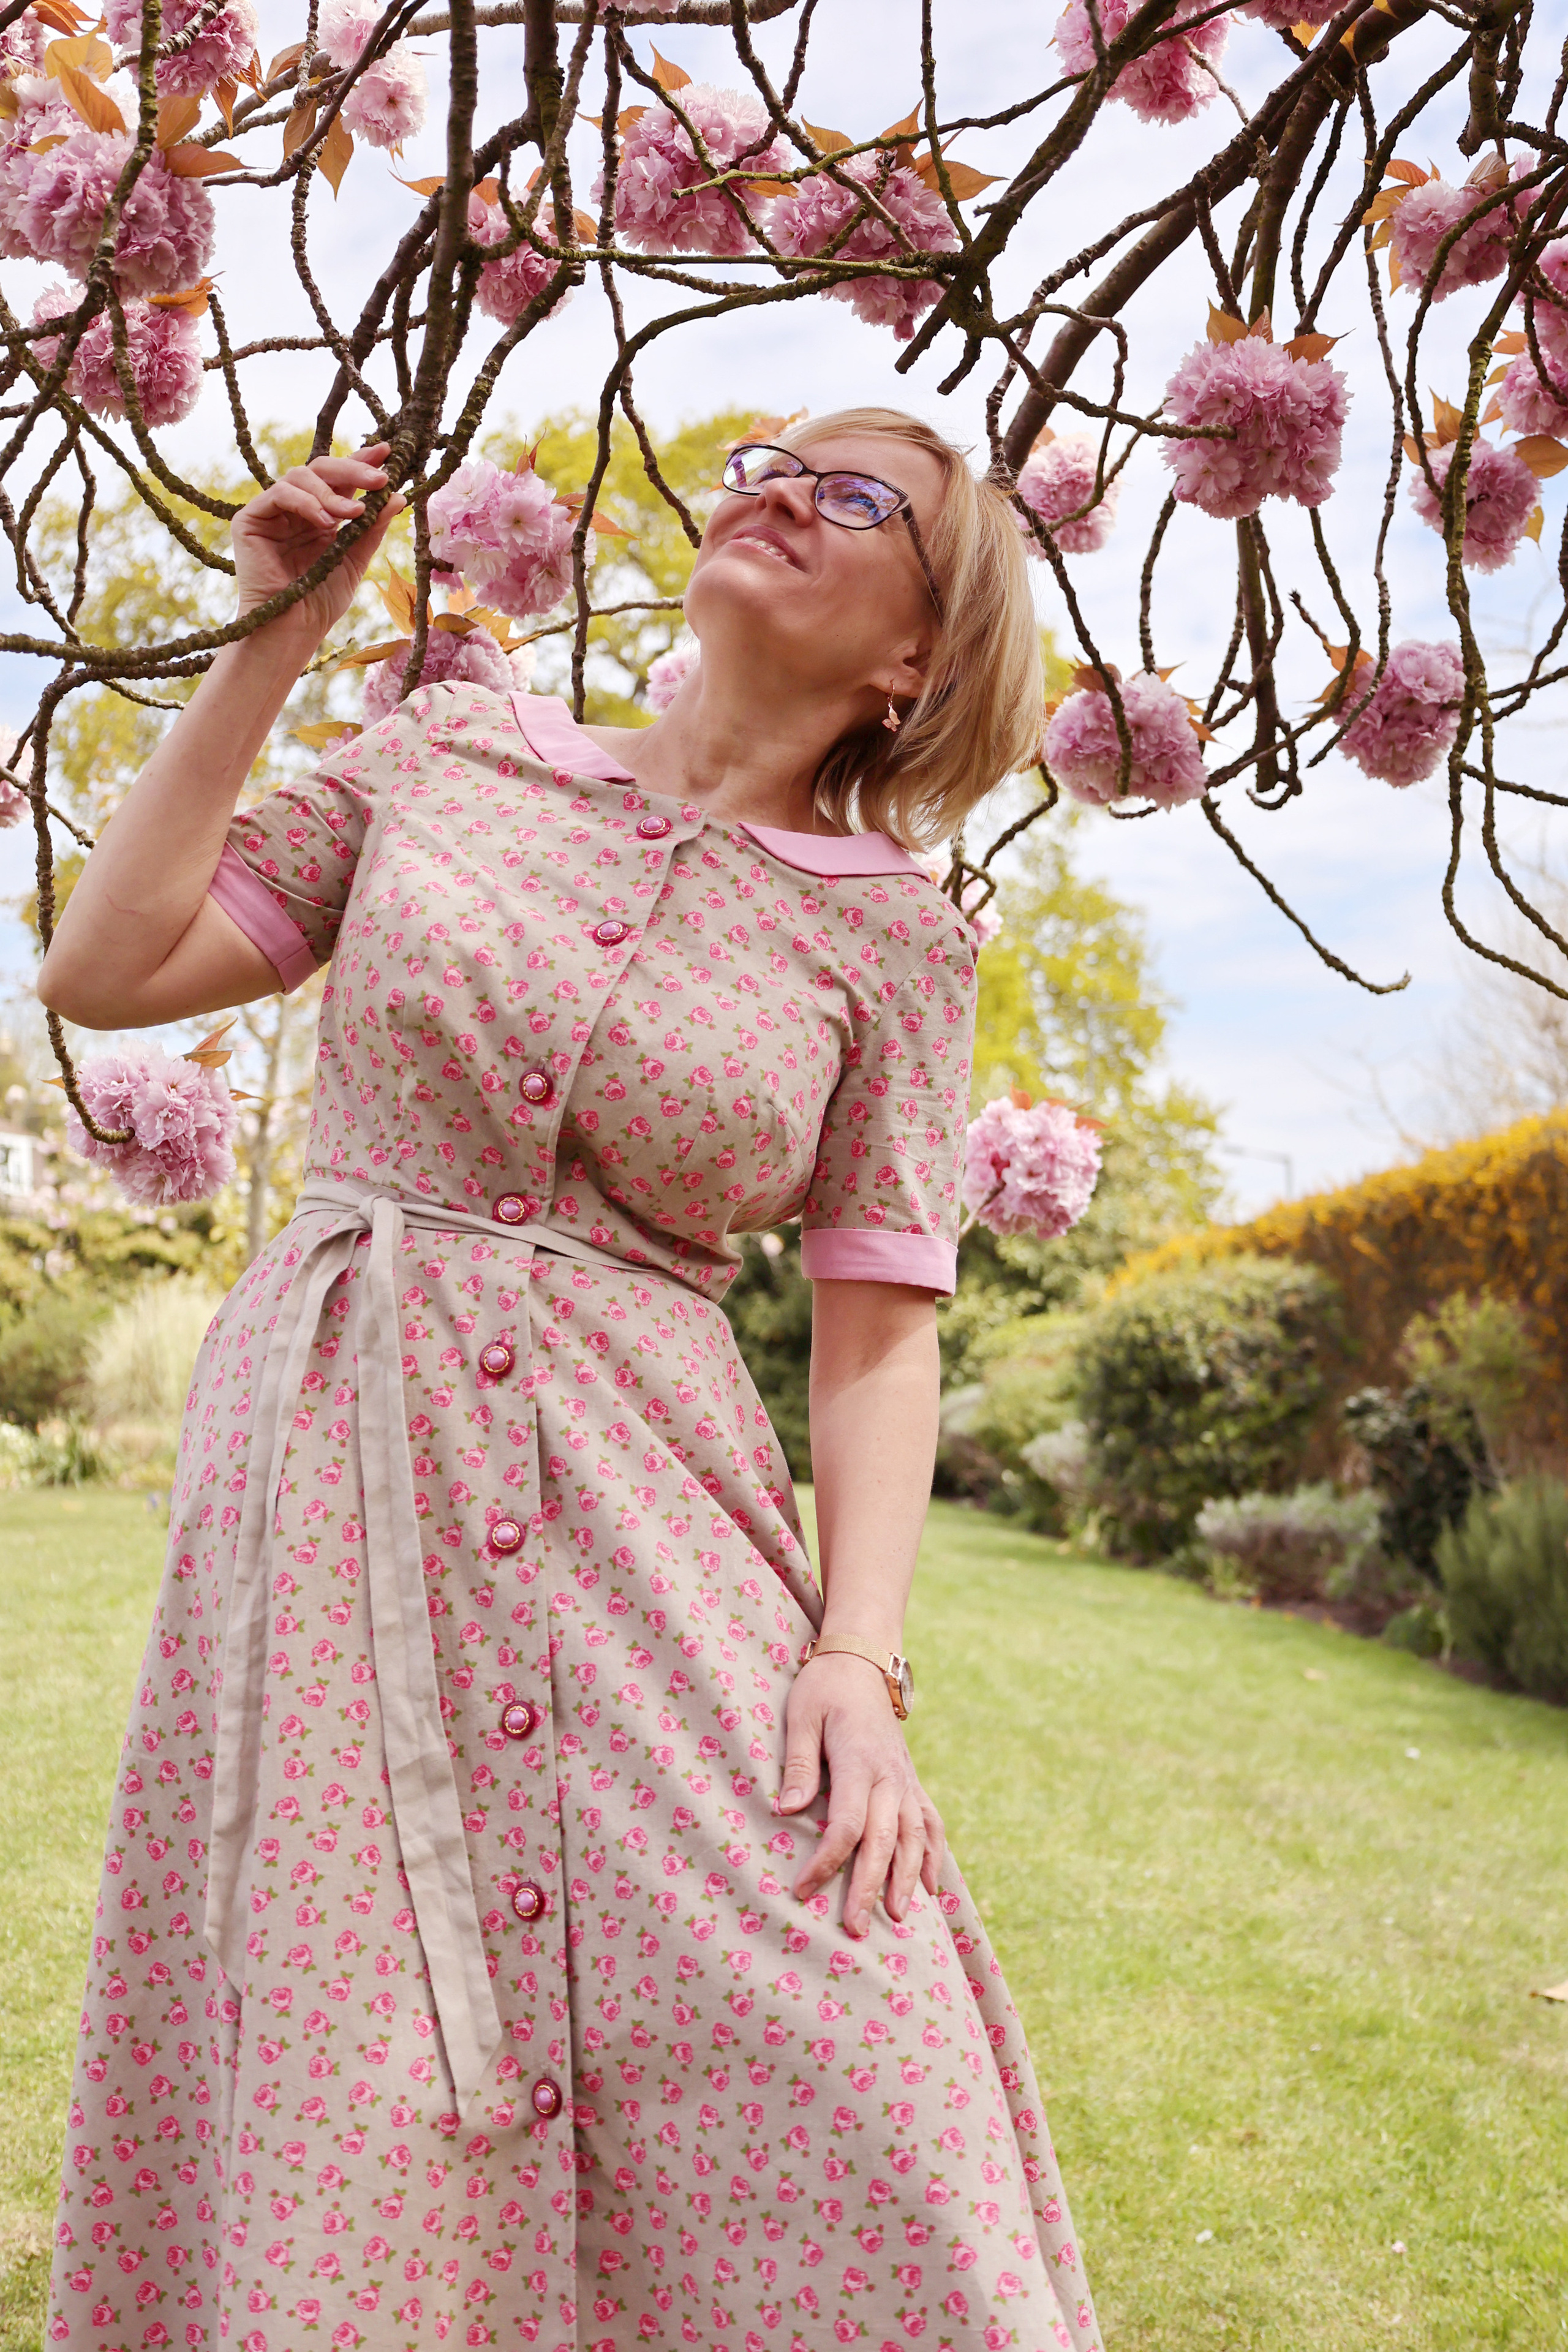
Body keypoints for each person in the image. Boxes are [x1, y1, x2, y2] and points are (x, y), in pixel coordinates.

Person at [38, 407, 1101, 2351]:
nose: (778, 486)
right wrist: (270, 634)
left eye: (858, 495)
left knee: (846, 2012)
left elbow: (881, 1331)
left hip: (658, 1515)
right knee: (354, 2036)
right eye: (774, 456)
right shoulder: (450, 753)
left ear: (916, 658)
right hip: (346, 1463)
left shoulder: (897, 942)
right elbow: (109, 969)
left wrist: (854, 1658)